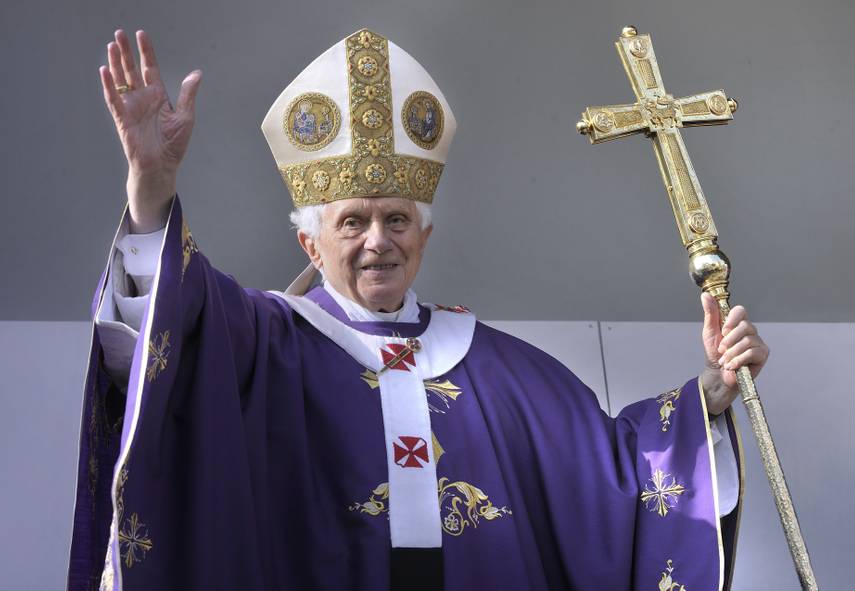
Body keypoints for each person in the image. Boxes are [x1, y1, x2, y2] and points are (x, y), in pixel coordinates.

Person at [68, 28, 769, 591]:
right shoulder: (264, 338)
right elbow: (164, 344)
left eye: (398, 218)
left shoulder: (500, 367)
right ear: (310, 240)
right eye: (353, 221)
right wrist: (151, 190)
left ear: (426, 234)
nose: (379, 240)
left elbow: (619, 473)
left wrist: (709, 394)